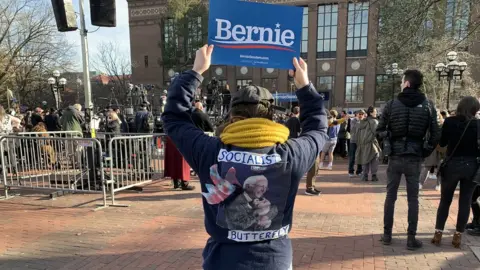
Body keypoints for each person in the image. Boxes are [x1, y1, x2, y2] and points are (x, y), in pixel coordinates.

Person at [162, 45, 327, 269]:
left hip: (223, 260)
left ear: (231, 114)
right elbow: (318, 129)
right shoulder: (291, 155)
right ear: (271, 115)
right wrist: (304, 87)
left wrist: (196, 72)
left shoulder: (210, 151)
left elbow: (174, 118)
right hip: (274, 259)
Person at [377, 69, 439, 250]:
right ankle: (411, 238)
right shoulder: (428, 105)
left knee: (391, 196)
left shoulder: (391, 104)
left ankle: (387, 235)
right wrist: (425, 151)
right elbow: (435, 134)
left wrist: (388, 143)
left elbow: (380, 130)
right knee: (413, 198)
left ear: (407, 83)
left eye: (402, 80)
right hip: (414, 156)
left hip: (396, 155)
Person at [431, 96, 480, 248]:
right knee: (465, 201)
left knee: (445, 200)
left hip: (452, 164)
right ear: (474, 109)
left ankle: (438, 233)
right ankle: (458, 236)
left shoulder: (450, 121)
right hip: (471, 166)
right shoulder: (478, 124)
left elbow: (443, 143)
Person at [356, 106, 381, 182]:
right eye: (375, 111)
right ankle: (374, 175)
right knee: (374, 158)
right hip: (371, 142)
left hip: (362, 144)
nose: (376, 113)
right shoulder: (374, 122)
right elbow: (378, 132)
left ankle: (365, 175)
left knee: (365, 159)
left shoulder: (362, 122)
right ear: (370, 113)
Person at [348, 110, 365, 177]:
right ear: (356, 114)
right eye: (359, 114)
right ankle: (351, 171)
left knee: (360, 156)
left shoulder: (364, 121)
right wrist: (359, 121)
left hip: (361, 141)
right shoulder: (353, 121)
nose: (361, 115)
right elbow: (353, 130)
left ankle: (359, 171)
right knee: (352, 156)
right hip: (353, 141)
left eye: (362, 114)